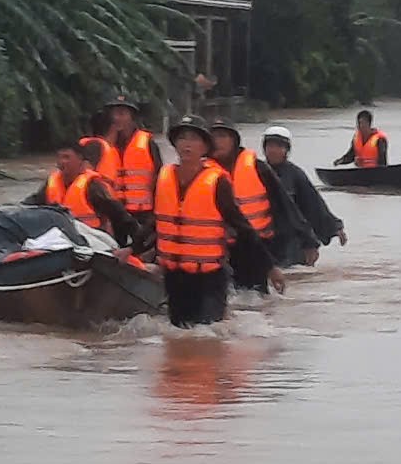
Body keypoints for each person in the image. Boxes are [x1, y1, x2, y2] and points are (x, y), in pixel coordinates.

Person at [148, 114, 284, 327]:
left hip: (210, 277)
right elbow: (154, 222)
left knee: (208, 337)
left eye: (194, 139)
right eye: (182, 138)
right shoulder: (164, 177)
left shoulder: (217, 182)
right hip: (175, 277)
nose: (187, 144)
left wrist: (270, 266)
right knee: (180, 337)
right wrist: (131, 249)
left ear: (204, 147)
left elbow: (243, 228)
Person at [207, 117, 319, 291]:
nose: (217, 142)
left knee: (254, 300)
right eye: (213, 136)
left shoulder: (258, 169)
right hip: (213, 250)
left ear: (234, 140)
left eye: (222, 136)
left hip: (254, 248)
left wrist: (308, 241)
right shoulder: (200, 171)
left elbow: (286, 205)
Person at [22, 140, 140, 247]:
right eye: (59, 157)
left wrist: (131, 246)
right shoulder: (50, 183)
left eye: (67, 157)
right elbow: (32, 205)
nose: (62, 162)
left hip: (92, 243)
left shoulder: (92, 186)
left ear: (80, 159)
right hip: (61, 243)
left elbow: (120, 216)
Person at [262, 126, 347, 263]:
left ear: (286, 150)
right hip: (266, 240)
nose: (274, 150)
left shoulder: (295, 175)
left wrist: (334, 227)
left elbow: (314, 204)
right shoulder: (256, 173)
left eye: (279, 146)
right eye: (270, 146)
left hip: (292, 241)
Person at [93, 95, 162, 232]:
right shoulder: (102, 146)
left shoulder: (147, 142)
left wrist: (155, 215)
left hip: (143, 213)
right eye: (113, 114)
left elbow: (159, 179)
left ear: (132, 117)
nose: (116, 118)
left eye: (122, 114)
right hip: (114, 213)